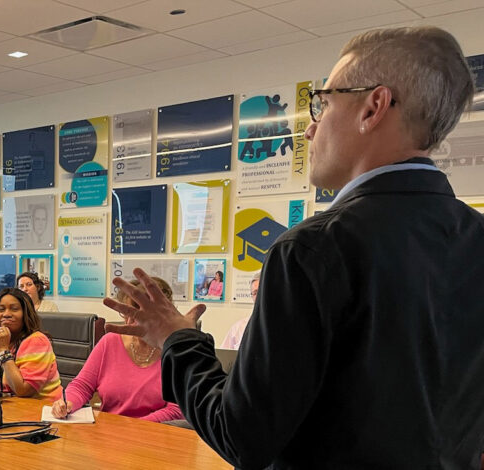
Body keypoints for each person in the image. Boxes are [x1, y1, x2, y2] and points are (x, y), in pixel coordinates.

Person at [105, 27, 484, 467]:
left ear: (373, 107)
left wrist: (178, 338)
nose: (309, 129)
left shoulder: (313, 251)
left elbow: (242, 435)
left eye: (322, 104)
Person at [51, 278, 182, 422]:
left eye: (138, 314)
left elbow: (176, 409)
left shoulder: (176, 351)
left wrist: (135, 426)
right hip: (109, 433)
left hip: (155, 434)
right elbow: (82, 386)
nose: (129, 322)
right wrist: (67, 403)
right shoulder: (110, 342)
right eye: (126, 313)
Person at [0, 288, 62, 400]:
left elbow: (23, 390)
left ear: (25, 314)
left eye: (14, 309)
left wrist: (3, 350)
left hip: (41, 408)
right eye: (1, 309)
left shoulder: (37, 341)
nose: (6, 314)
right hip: (6, 406)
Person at [222, 277, 260, 350]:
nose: (259, 296)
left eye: (261, 292)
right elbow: (225, 356)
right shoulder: (238, 328)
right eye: (255, 293)